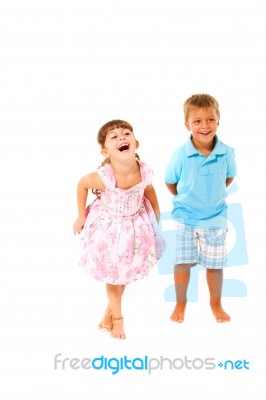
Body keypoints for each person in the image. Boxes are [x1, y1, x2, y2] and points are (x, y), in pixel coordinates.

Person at [73, 119, 165, 339]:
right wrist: (80, 215)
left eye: (126, 134)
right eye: (114, 137)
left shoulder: (144, 171)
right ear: (106, 151)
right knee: (113, 273)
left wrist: (156, 216)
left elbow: (149, 191)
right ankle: (117, 318)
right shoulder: (104, 176)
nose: (121, 138)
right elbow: (82, 184)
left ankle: (109, 310)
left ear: (136, 142)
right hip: (110, 229)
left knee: (124, 270)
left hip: (135, 225)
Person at [165, 94, 237, 323]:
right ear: (187, 125)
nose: (204, 126)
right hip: (185, 218)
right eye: (197, 121)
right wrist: (186, 199)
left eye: (210, 119)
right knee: (183, 262)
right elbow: (170, 181)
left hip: (215, 218)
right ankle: (180, 303)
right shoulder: (180, 154)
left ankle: (216, 304)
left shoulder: (227, 152)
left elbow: (229, 176)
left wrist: (211, 198)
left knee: (215, 266)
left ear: (218, 121)